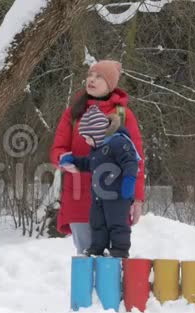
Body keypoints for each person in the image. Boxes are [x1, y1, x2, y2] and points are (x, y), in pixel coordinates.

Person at [49, 59, 145, 255]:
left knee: (115, 254)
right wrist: (64, 160)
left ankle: (109, 285)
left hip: (113, 197)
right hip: (78, 195)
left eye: (99, 77)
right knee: (86, 254)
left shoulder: (124, 115)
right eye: (90, 75)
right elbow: (58, 149)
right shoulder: (74, 113)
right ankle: (85, 287)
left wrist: (137, 199)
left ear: (110, 84)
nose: (91, 80)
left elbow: (136, 160)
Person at [59, 107, 139, 258]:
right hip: (99, 197)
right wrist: (73, 160)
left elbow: (130, 162)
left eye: (88, 137)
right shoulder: (97, 150)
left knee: (117, 224)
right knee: (97, 223)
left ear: (97, 133)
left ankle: (119, 250)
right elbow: (88, 163)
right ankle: (98, 248)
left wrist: (129, 182)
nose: (87, 141)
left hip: (117, 196)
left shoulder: (119, 142)